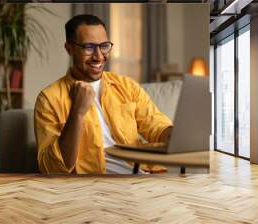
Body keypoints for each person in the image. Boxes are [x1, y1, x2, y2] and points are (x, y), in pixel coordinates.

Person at [34, 14, 173, 174]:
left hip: (141, 176)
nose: (99, 56)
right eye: (89, 47)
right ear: (69, 49)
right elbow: (51, 168)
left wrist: (175, 135)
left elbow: (157, 127)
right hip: (94, 186)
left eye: (104, 46)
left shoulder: (127, 86)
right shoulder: (48, 99)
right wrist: (77, 113)